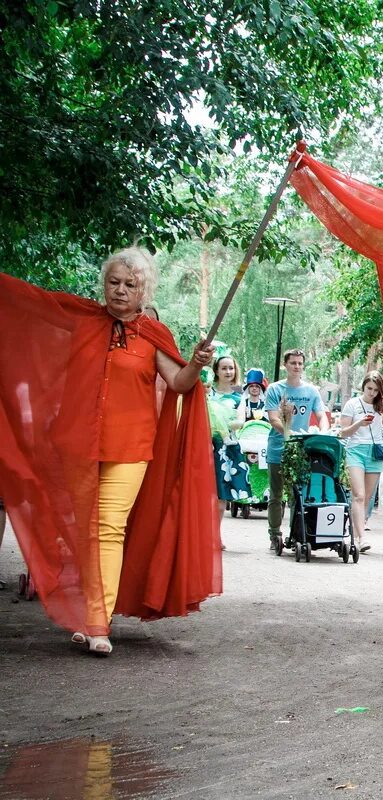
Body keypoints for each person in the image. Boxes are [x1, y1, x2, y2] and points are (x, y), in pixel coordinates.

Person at [0, 246, 222, 655]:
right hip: (79, 445)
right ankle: (90, 615)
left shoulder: (154, 334)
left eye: (130, 285)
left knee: (108, 528)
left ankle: (97, 623)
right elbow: (33, 310)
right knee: (85, 533)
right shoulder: (82, 321)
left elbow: (179, 383)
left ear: (144, 290)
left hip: (132, 446)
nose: (120, 290)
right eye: (113, 282)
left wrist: (196, 363)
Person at [264, 349, 328, 552]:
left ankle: (296, 533)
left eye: (300, 363)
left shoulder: (311, 391)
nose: (297, 367)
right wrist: (289, 433)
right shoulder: (275, 389)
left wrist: (323, 432)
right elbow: (274, 419)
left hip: (302, 450)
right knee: (276, 495)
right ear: (286, 365)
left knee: (298, 495)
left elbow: (321, 414)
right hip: (278, 448)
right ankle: (275, 533)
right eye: (293, 363)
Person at [339, 372, 383, 553]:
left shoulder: (381, 406)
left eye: (375, 390)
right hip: (355, 450)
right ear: (363, 386)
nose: (372, 393)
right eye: (369, 388)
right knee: (359, 495)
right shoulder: (352, 404)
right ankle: (362, 538)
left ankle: (355, 536)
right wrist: (359, 424)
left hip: (375, 452)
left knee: (366, 499)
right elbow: (343, 432)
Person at [209, 356, 251, 517]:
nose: (228, 372)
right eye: (224, 368)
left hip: (227, 449)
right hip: (206, 445)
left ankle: (216, 538)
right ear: (216, 371)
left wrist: (223, 423)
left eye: (231, 368)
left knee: (222, 495)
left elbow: (240, 421)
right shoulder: (206, 393)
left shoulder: (239, 398)